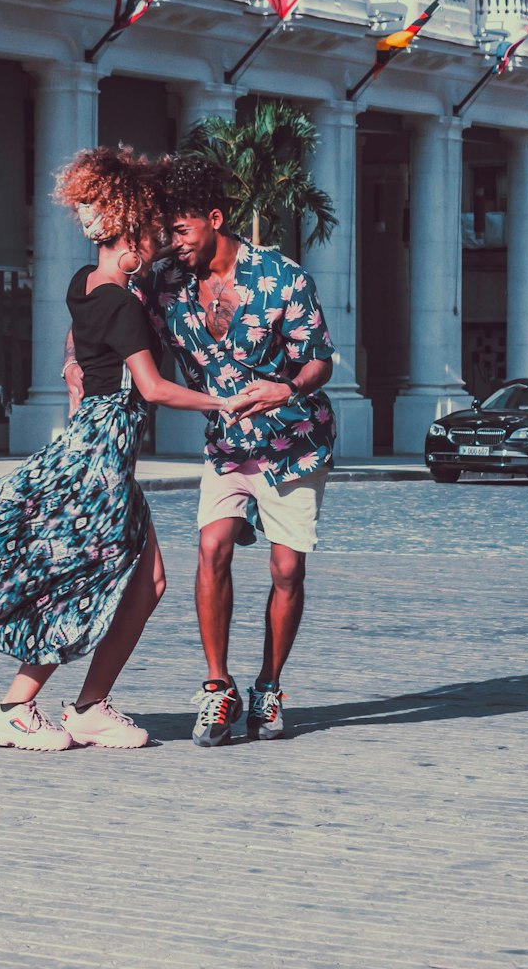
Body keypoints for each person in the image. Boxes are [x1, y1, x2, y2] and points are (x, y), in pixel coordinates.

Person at [0, 146, 245, 752]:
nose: (156, 248)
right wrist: (223, 402)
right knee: (79, 581)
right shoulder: (121, 302)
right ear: (127, 242)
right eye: (149, 238)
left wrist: (76, 363)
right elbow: (151, 387)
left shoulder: (86, 284)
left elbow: (82, 343)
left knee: (146, 583)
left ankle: (90, 706)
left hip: (97, 449)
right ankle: (16, 706)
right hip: (100, 455)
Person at [66, 152, 335, 747]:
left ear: (215, 219)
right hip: (225, 445)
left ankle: (268, 686)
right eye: (167, 232)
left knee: (287, 568)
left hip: (294, 441)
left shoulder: (282, 276)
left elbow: (320, 358)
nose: (173, 242)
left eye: (182, 230)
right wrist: (72, 359)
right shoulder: (163, 279)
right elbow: (101, 307)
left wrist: (285, 386)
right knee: (211, 548)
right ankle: (218, 688)